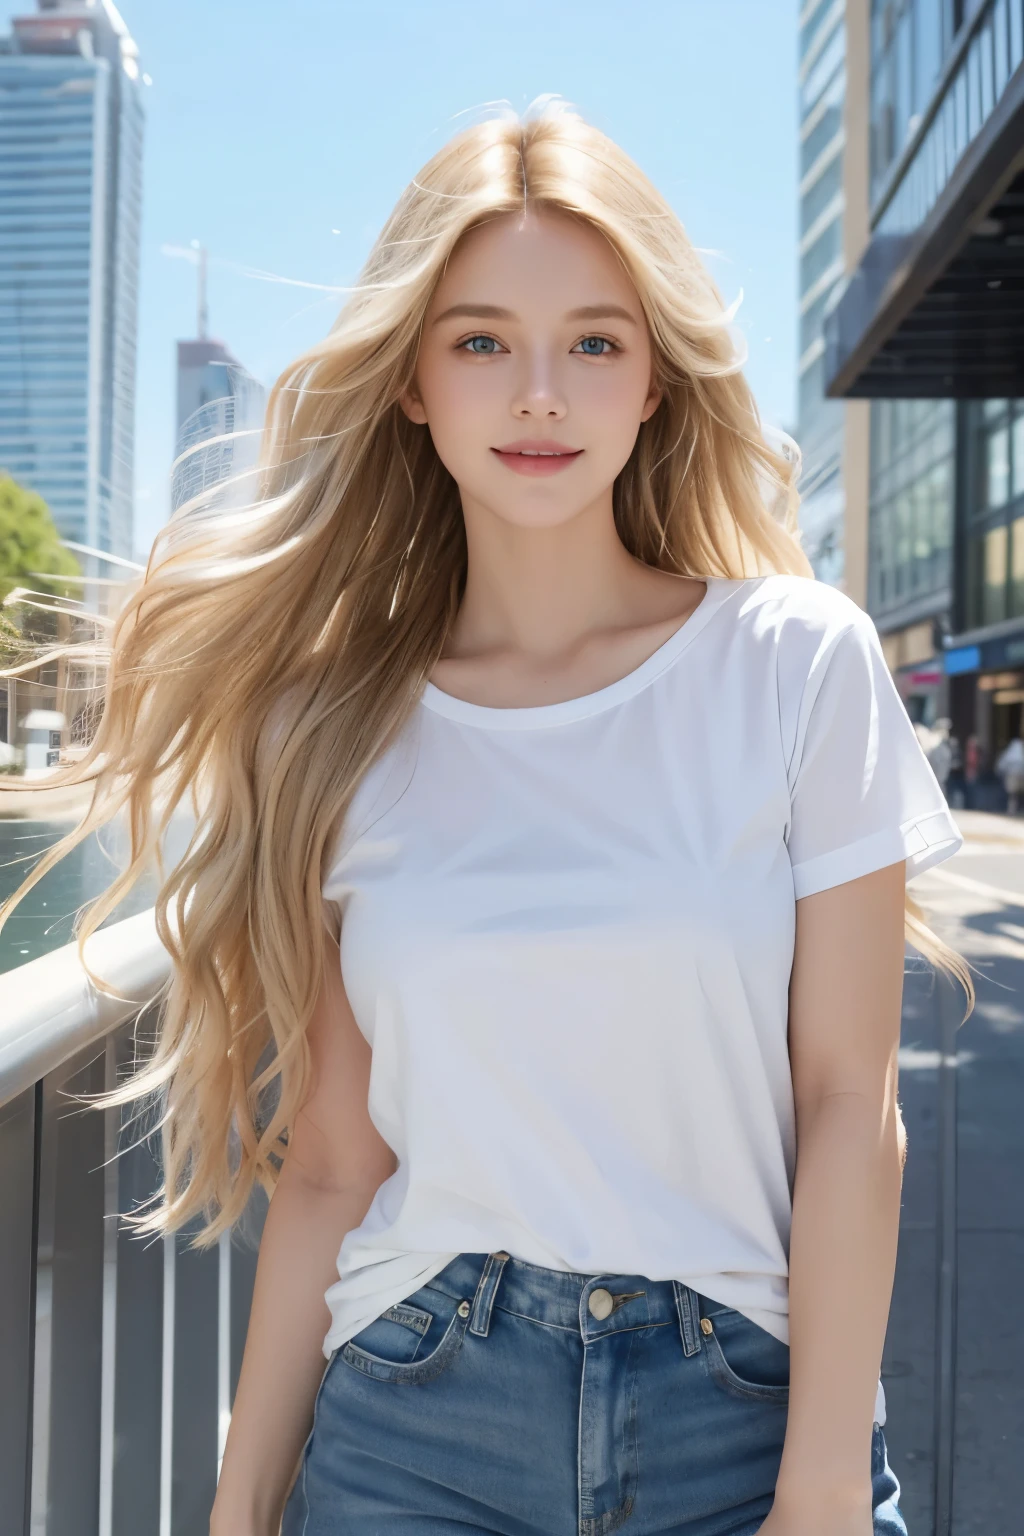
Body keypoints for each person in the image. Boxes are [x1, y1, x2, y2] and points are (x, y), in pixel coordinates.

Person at [0, 105, 972, 1536]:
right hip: (419, 1422)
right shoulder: (335, 728)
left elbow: (849, 1103)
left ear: (654, 383)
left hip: (748, 1413)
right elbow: (337, 1158)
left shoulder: (798, 666)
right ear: (411, 382)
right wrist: (239, 1504)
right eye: (479, 342)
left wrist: (823, 1485)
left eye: (592, 342)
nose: (539, 396)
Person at [997, 735, 1024, 814]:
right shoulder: (1021, 754)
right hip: (1020, 776)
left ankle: (1012, 810)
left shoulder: (1010, 753)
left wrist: (1000, 772)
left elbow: (1002, 764)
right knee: (1017, 795)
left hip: (1012, 776)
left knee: (1013, 795)